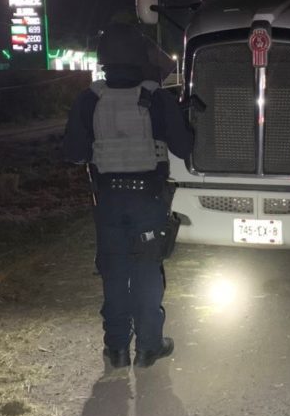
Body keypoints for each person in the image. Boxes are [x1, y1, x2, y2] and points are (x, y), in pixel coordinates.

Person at [64, 23, 194, 369]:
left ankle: (117, 349)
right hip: (149, 200)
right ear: (141, 58)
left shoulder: (89, 99)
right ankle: (149, 347)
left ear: (103, 59)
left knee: (114, 271)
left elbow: (74, 153)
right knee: (147, 271)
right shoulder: (157, 98)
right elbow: (184, 148)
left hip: (108, 201)